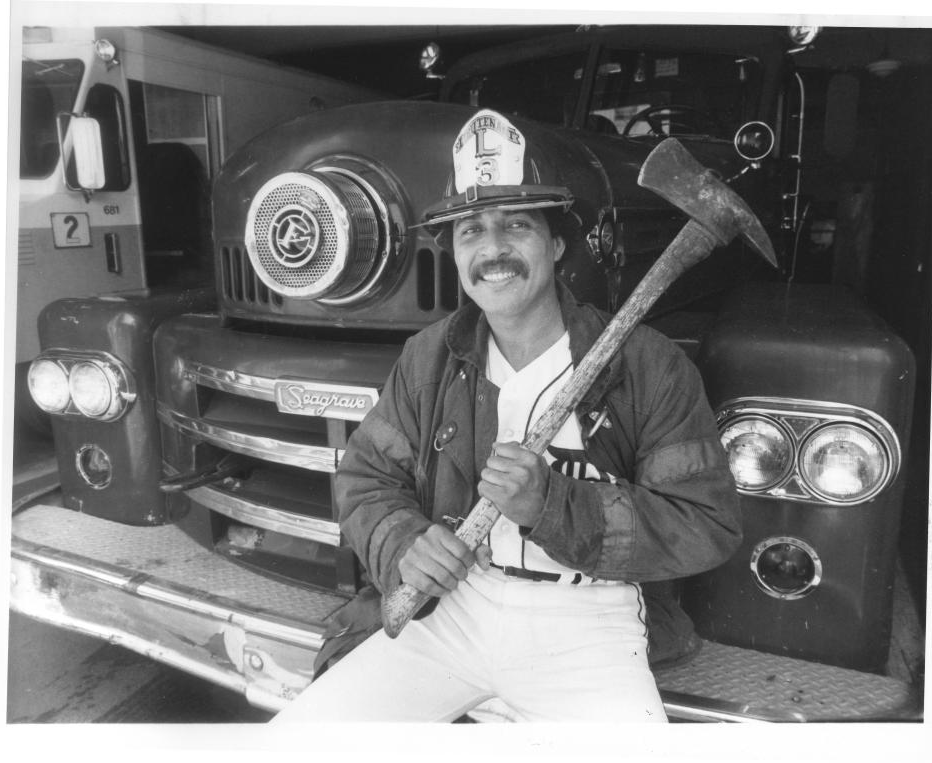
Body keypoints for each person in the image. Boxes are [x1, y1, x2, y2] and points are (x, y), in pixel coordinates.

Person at [272, 109, 741, 723]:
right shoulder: (428, 357)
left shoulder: (649, 366)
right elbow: (364, 480)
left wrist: (552, 504)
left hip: (588, 618)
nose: (492, 249)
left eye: (516, 226)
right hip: (455, 606)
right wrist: (403, 546)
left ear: (556, 244)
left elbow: (705, 523)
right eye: (471, 232)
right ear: (456, 256)